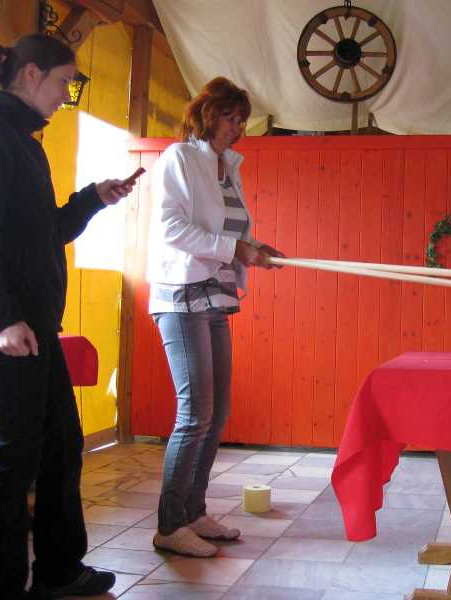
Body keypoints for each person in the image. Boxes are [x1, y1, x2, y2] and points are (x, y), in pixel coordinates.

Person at [0, 34, 135, 598]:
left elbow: (48, 233)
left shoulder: (25, 142)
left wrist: (92, 198)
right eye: (65, 81)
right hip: (8, 330)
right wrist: (0, 318)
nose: (67, 93)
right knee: (12, 460)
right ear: (31, 73)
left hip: (36, 327)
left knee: (61, 445)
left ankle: (60, 571)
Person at [146, 76, 283, 557]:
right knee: (195, 414)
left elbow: (228, 231)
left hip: (216, 297)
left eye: (242, 119)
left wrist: (255, 249)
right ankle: (169, 525)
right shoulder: (179, 158)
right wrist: (236, 249)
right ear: (207, 114)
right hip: (181, 296)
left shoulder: (228, 167)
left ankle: (193, 512)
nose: (238, 127)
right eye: (230, 117)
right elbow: (171, 228)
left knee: (216, 412)